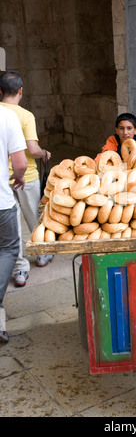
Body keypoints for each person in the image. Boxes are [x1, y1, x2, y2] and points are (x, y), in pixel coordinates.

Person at [0, 71, 54, 288]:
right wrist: (44, 153)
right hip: (25, 176)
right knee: (34, 217)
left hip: (4, 179)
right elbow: (32, 149)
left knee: (12, 225)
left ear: (0, 92)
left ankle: (20, 268)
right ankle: (42, 254)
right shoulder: (24, 115)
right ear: (21, 91)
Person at [0, 105, 27, 343]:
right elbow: (20, 163)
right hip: (0, 202)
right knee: (8, 250)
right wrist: (19, 177)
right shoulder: (7, 116)